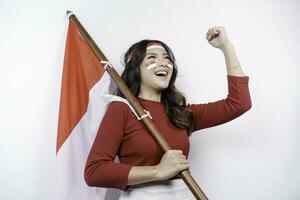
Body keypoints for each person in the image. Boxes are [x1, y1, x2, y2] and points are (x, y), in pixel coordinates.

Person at [84, 26, 252, 200]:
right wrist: (158, 171)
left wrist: (226, 47)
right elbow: (94, 171)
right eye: (152, 57)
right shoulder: (121, 109)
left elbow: (239, 103)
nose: (164, 62)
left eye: (167, 58)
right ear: (135, 68)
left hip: (186, 194)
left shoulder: (182, 114)